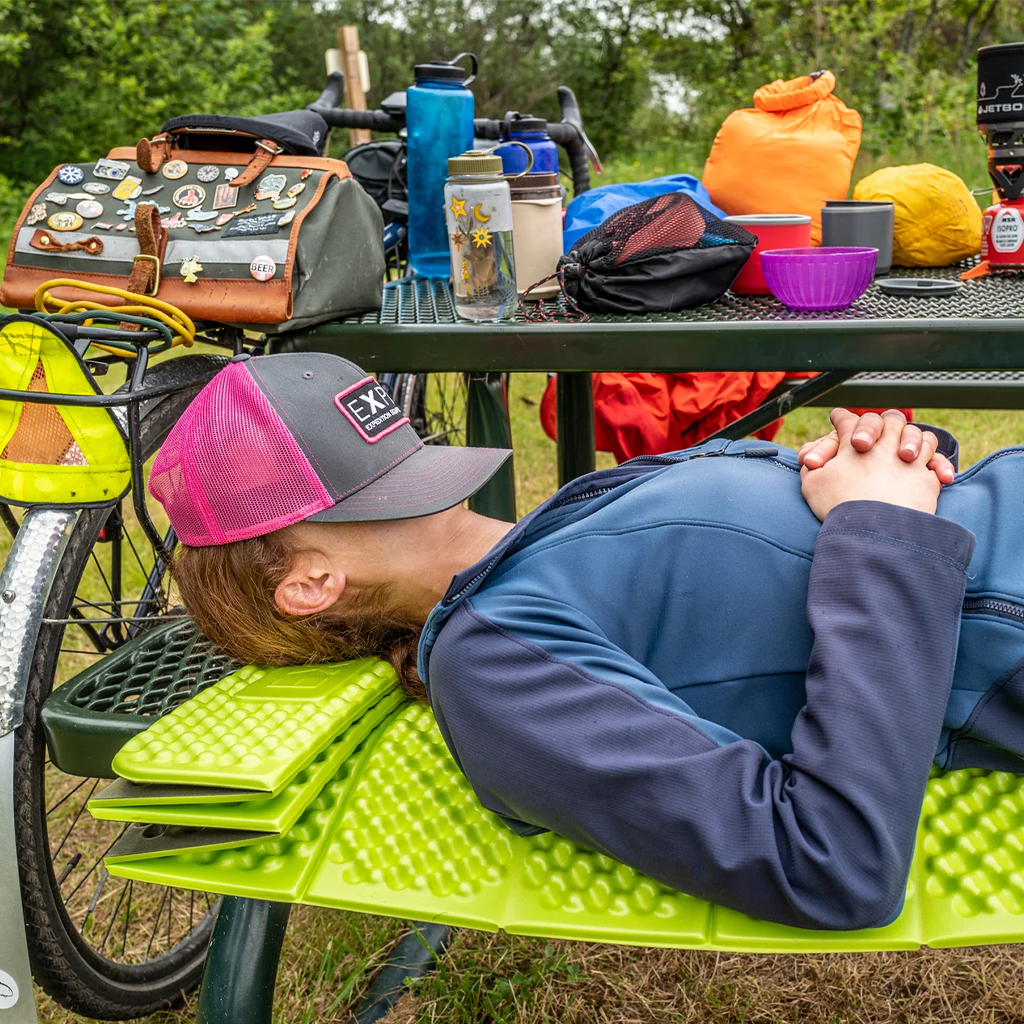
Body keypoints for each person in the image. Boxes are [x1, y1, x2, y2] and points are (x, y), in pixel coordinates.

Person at [151, 351, 1024, 933]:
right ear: (310, 582)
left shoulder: (545, 532)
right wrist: (879, 530)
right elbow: (833, 864)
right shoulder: (493, 668)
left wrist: (896, 456)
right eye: (371, 476)